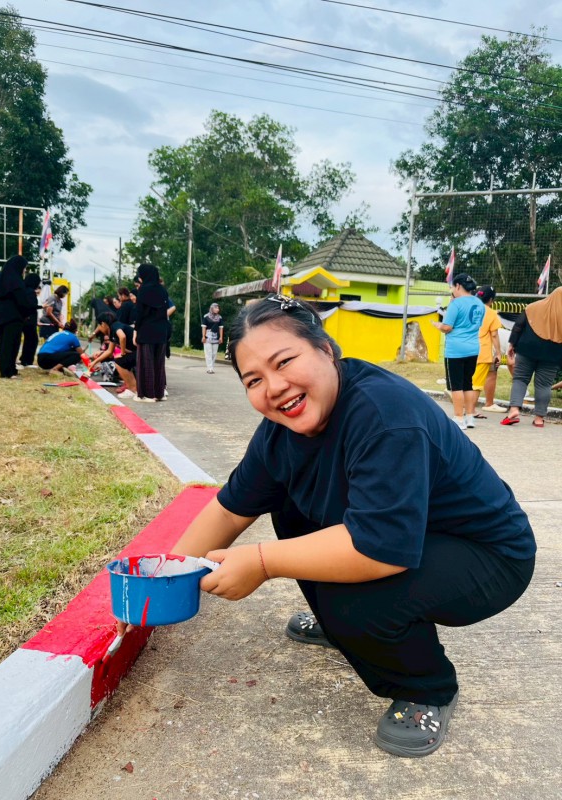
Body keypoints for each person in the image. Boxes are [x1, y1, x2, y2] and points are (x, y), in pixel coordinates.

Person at [118, 294, 536, 758]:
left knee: (354, 601)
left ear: (326, 349)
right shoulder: (279, 433)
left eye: (284, 361)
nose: (275, 387)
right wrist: (167, 576)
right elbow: (230, 510)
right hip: (408, 536)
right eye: (254, 380)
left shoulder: (384, 415)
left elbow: (376, 549)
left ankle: (427, 687)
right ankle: (341, 628)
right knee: (289, 506)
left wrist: (261, 562)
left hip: (487, 555)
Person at [501, 287, 562, 428]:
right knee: (544, 385)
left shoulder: (533, 307)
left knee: (520, 379)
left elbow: (518, 326)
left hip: (526, 350)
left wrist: (512, 344)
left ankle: (514, 410)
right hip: (552, 355)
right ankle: (539, 419)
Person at [432, 273, 484, 430]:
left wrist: (438, 325)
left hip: (456, 349)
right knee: (468, 383)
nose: (452, 290)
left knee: (457, 385)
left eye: (453, 287)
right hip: (473, 348)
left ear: (458, 286)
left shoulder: (456, 304)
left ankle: (459, 418)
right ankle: (469, 417)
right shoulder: (479, 303)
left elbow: (448, 327)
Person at [0, 255, 37, 379]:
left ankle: (5, 370)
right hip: (13, 316)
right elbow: (21, 301)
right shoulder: (16, 281)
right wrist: (29, 311)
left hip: (1, 315)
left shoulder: (1, 278)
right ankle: (8, 371)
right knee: (11, 344)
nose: (24, 270)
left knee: (4, 343)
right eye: (24, 268)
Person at [465, 285, 503, 419]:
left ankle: (464, 407)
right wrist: (498, 353)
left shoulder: (468, 308)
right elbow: (494, 335)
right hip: (481, 352)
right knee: (476, 384)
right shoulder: (491, 313)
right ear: (491, 300)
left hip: (464, 349)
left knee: (467, 380)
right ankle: (471, 410)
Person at [133, 263, 170, 402]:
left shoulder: (143, 290)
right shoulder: (163, 291)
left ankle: (148, 395)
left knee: (146, 362)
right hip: (161, 331)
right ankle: (159, 393)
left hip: (146, 331)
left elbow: (140, 314)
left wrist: (136, 331)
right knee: (159, 364)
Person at [91, 311, 137, 398]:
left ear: (103, 324)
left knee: (120, 362)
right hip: (137, 352)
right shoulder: (112, 331)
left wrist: (122, 353)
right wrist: (94, 362)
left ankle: (132, 389)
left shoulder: (115, 326)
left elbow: (122, 336)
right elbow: (109, 351)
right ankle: (134, 388)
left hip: (141, 353)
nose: (99, 329)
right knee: (121, 362)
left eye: (99, 326)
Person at [19, 273, 42, 368]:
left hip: (26, 319)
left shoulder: (24, 290)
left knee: (29, 339)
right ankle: (27, 360)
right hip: (29, 319)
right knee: (32, 340)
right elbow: (31, 305)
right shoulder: (30, 292)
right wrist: (42, 306)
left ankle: (25, 359)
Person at [202, 302, 224, 373]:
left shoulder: (219, 318)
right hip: (208, 336)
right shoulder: (206, 316)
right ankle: (209, 368)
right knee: (208, 353)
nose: (218, 309)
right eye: (216, 308)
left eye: (218, 308)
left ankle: (212, 367)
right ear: (212, 308)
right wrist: (203, 336)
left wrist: (221, 337)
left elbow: (221, 328)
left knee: (214, 353)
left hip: (216, 337)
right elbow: (204, 327)